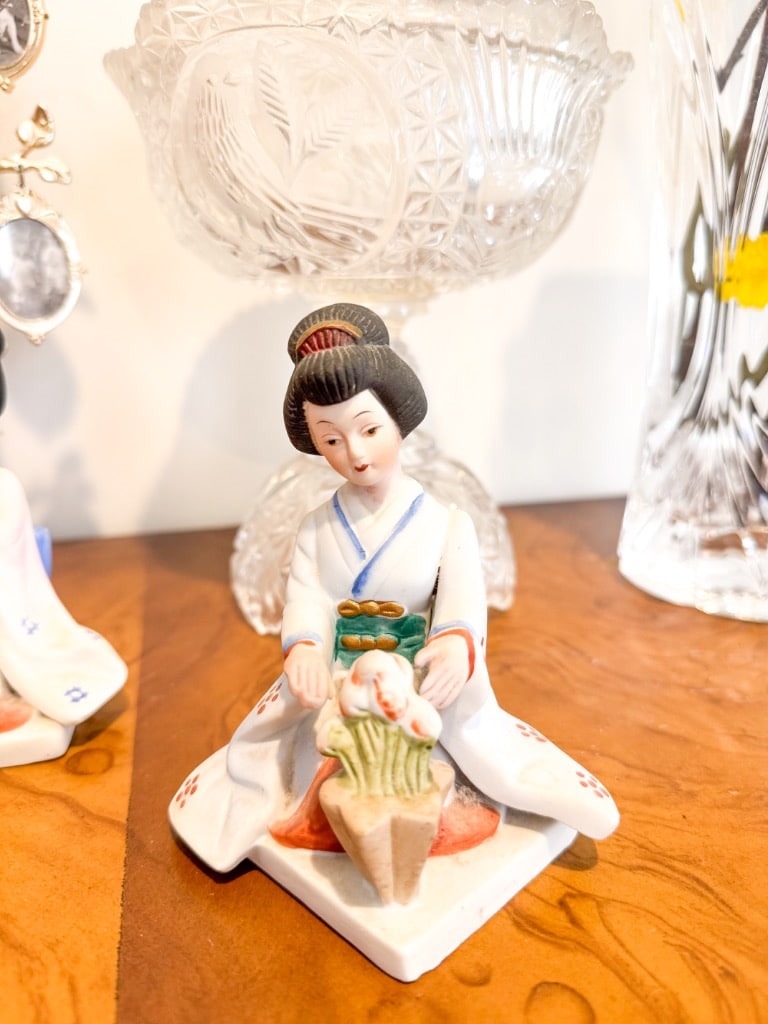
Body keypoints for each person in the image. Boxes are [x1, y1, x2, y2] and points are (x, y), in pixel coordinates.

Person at [169, 303, 618, 873]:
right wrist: (304, 648)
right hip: (336, 674)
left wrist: (454, 644)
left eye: (369, 429)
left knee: (449, 749)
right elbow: (308, 598)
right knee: (286, 753)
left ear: (399, 421)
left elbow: (461, 603)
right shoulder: (316, 528)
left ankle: (441, 808)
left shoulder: (448, 523)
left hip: (417, 675)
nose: (354, 454)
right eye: (331, 439)